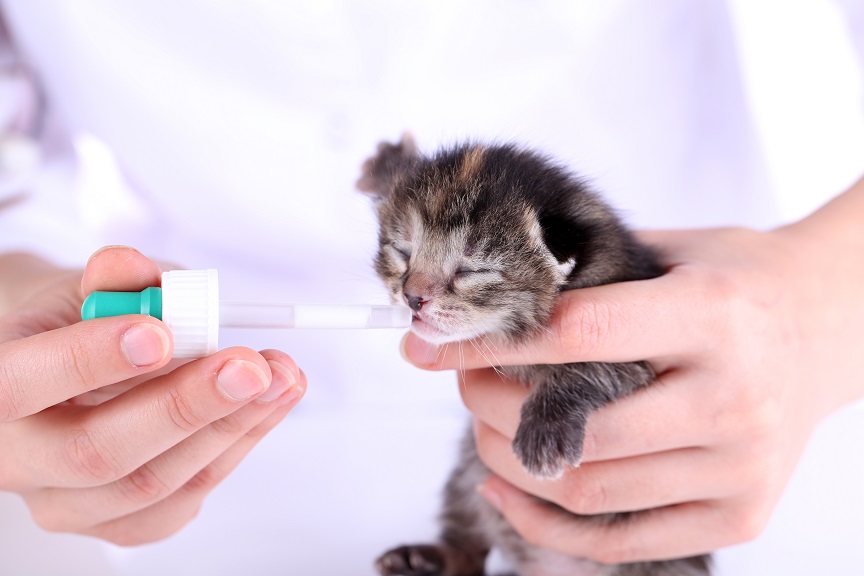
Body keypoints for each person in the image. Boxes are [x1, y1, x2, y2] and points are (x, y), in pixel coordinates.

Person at [1, 2, 863, 575]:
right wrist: (16, 296)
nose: (415, 297)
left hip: (733, 423)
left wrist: (823, 302)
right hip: (221, 476)